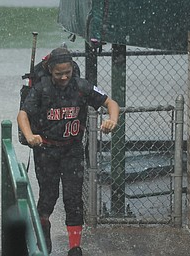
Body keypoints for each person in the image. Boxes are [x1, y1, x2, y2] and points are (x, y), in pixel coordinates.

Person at [17, 47, 119, 256]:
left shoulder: (81, 87)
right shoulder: (41, 89)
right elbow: (23, 115)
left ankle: (75, 248)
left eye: (67, 73)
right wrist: (29, 136)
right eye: (58, 74)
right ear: (50, 71)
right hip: (46, 150)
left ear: (73, 69)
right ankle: (43, 234)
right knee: (48, 196)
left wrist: (112, 120)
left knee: (73, 200)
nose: (64, 77)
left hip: (72, 150)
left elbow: (110, 102)